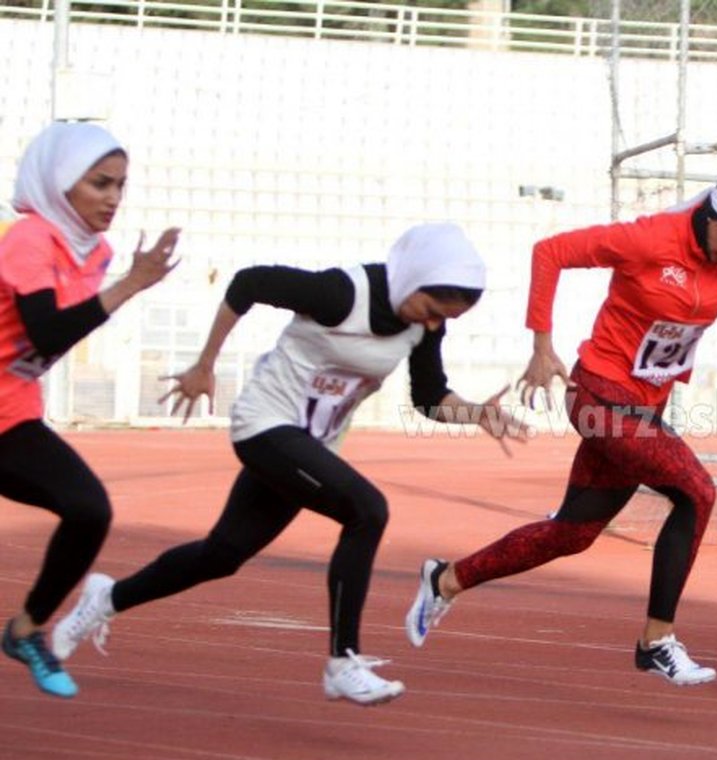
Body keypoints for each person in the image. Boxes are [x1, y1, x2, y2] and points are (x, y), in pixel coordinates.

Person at [52, 223, 526, 706]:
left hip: (310, 446)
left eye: (442, 319)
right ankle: (343, 661)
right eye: (430, 310)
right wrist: (205, 363)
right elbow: (249, 283)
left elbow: (428, 397)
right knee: (367, 510)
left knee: (222, 555)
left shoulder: (423, 326)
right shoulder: (341, 293)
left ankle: (106, 599)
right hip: (264, 426)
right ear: (412, 279)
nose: (431, 324)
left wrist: (475, 413)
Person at [404, 160, 717, 686]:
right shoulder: (650, 238)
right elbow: (551, 253)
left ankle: (446, 580)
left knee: (573, 532)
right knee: (697, 492)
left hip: (644, 405)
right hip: (600, 393)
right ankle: (656, 641)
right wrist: (542, 345)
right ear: (713, 216)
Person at [0, 121, 179, 698]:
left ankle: (26, 630)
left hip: (12, 415)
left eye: (120, 186)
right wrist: (129, 286)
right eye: (99, 183)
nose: (112, 198)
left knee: (88, 509)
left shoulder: (94, 252)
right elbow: (47, 332)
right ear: (60, 183)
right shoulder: (30, 237)